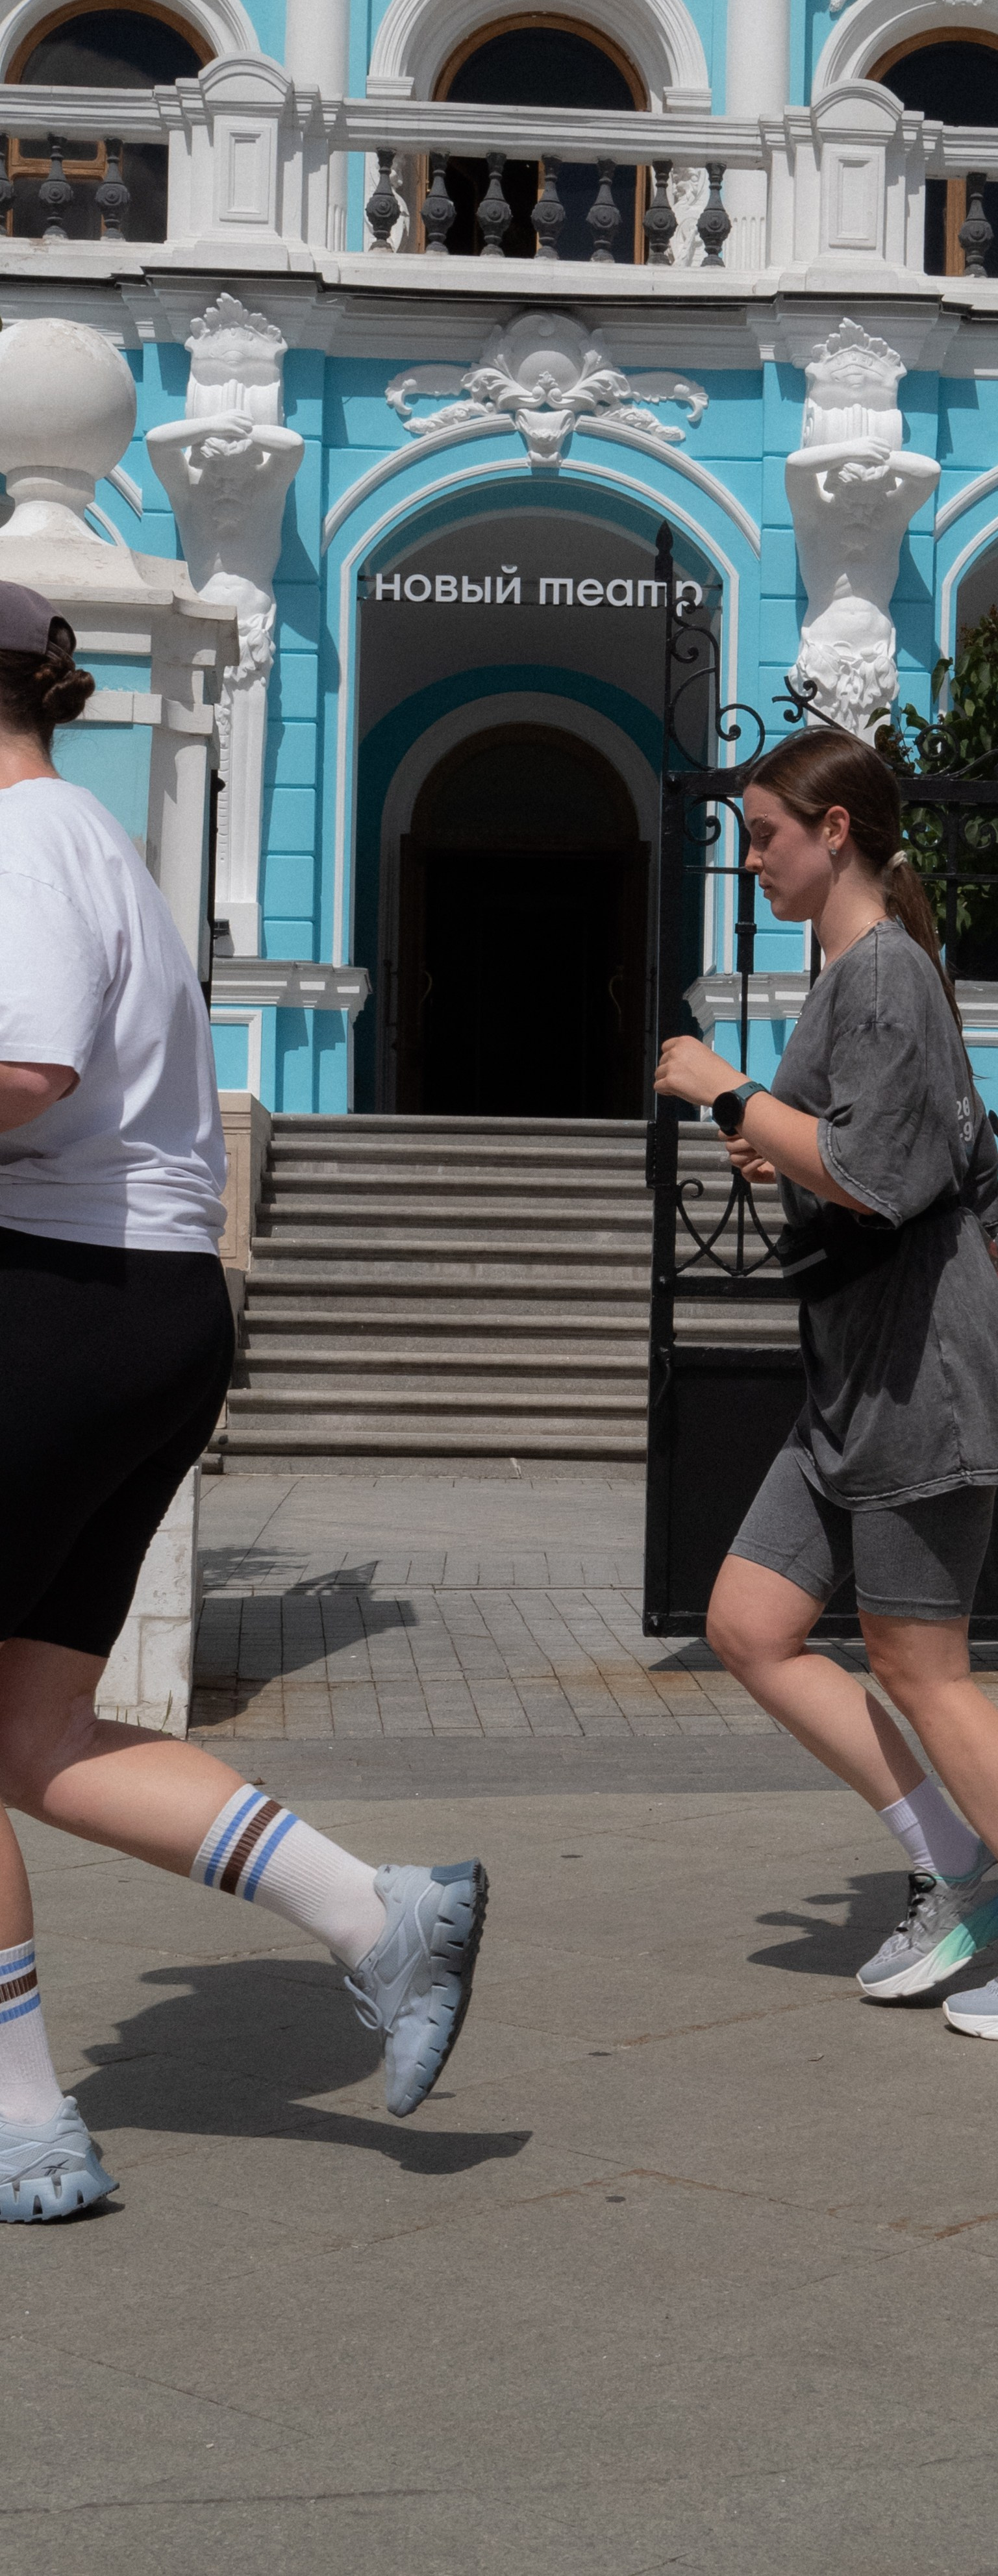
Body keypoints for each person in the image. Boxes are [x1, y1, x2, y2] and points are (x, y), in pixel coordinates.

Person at [0, 584, 486, 2221]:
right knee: (34, 1731)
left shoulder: (23, 844)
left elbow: (22, 1071)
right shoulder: (87, 845)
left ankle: (20, 2123)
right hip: (140, 1311)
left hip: (60, 1306)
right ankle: (379, 1916)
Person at [654, 728, 998, 2040]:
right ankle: (961, 1868)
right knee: (750, 1624)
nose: (751, 854)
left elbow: (876, 1175)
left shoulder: (884, 972)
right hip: (855, 1379)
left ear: (836, 832)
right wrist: (783, 1140)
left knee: (924, 1667)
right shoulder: (861, 973)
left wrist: (726, 1097)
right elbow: (878, 1151)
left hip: (917, 1375)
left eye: (767, 831)